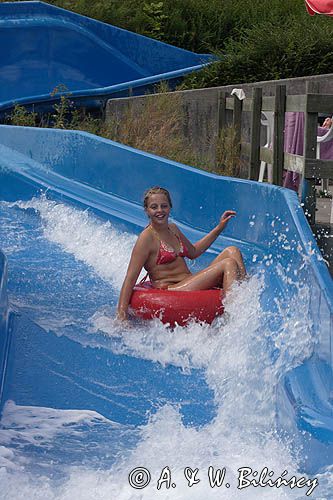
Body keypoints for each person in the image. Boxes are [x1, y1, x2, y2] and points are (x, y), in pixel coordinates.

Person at [117, 187, 246, 321]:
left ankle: (245, 301)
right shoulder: (146, 238)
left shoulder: (172, 229)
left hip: (188, 280)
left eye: (164, 206)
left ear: (170, 208)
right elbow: (130, 278)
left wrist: (219, 228)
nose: (160, 210)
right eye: (154, 207)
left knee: (233, 251)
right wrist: (121, 314)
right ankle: (234, 319)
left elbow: (194, 252)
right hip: (172, 289)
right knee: (228, 264)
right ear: (147, 211)